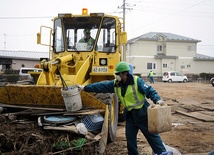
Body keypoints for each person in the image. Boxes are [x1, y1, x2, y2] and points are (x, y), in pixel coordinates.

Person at [78, 61, 167, 155]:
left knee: (152, 136)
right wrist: (85, 88)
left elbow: (149, 90)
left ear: (125, 74)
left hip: (142, 114)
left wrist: (157, 100)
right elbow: (101, 86)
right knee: (130, 138)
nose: (116, 75)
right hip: (130, 115)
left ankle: (162, 153)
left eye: (117, 74)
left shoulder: (137, 81)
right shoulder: (116, 84)